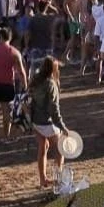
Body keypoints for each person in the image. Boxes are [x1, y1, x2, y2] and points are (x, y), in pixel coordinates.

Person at [28, 57, 69, 189]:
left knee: (43, 148)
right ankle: (59, 180)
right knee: (59, 150)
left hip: (36, 121)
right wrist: (63, 127)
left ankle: (43, 179)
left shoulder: (35, 80)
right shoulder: (51, 84)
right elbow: (54, 109)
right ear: (53, 70)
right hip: (48, 123)